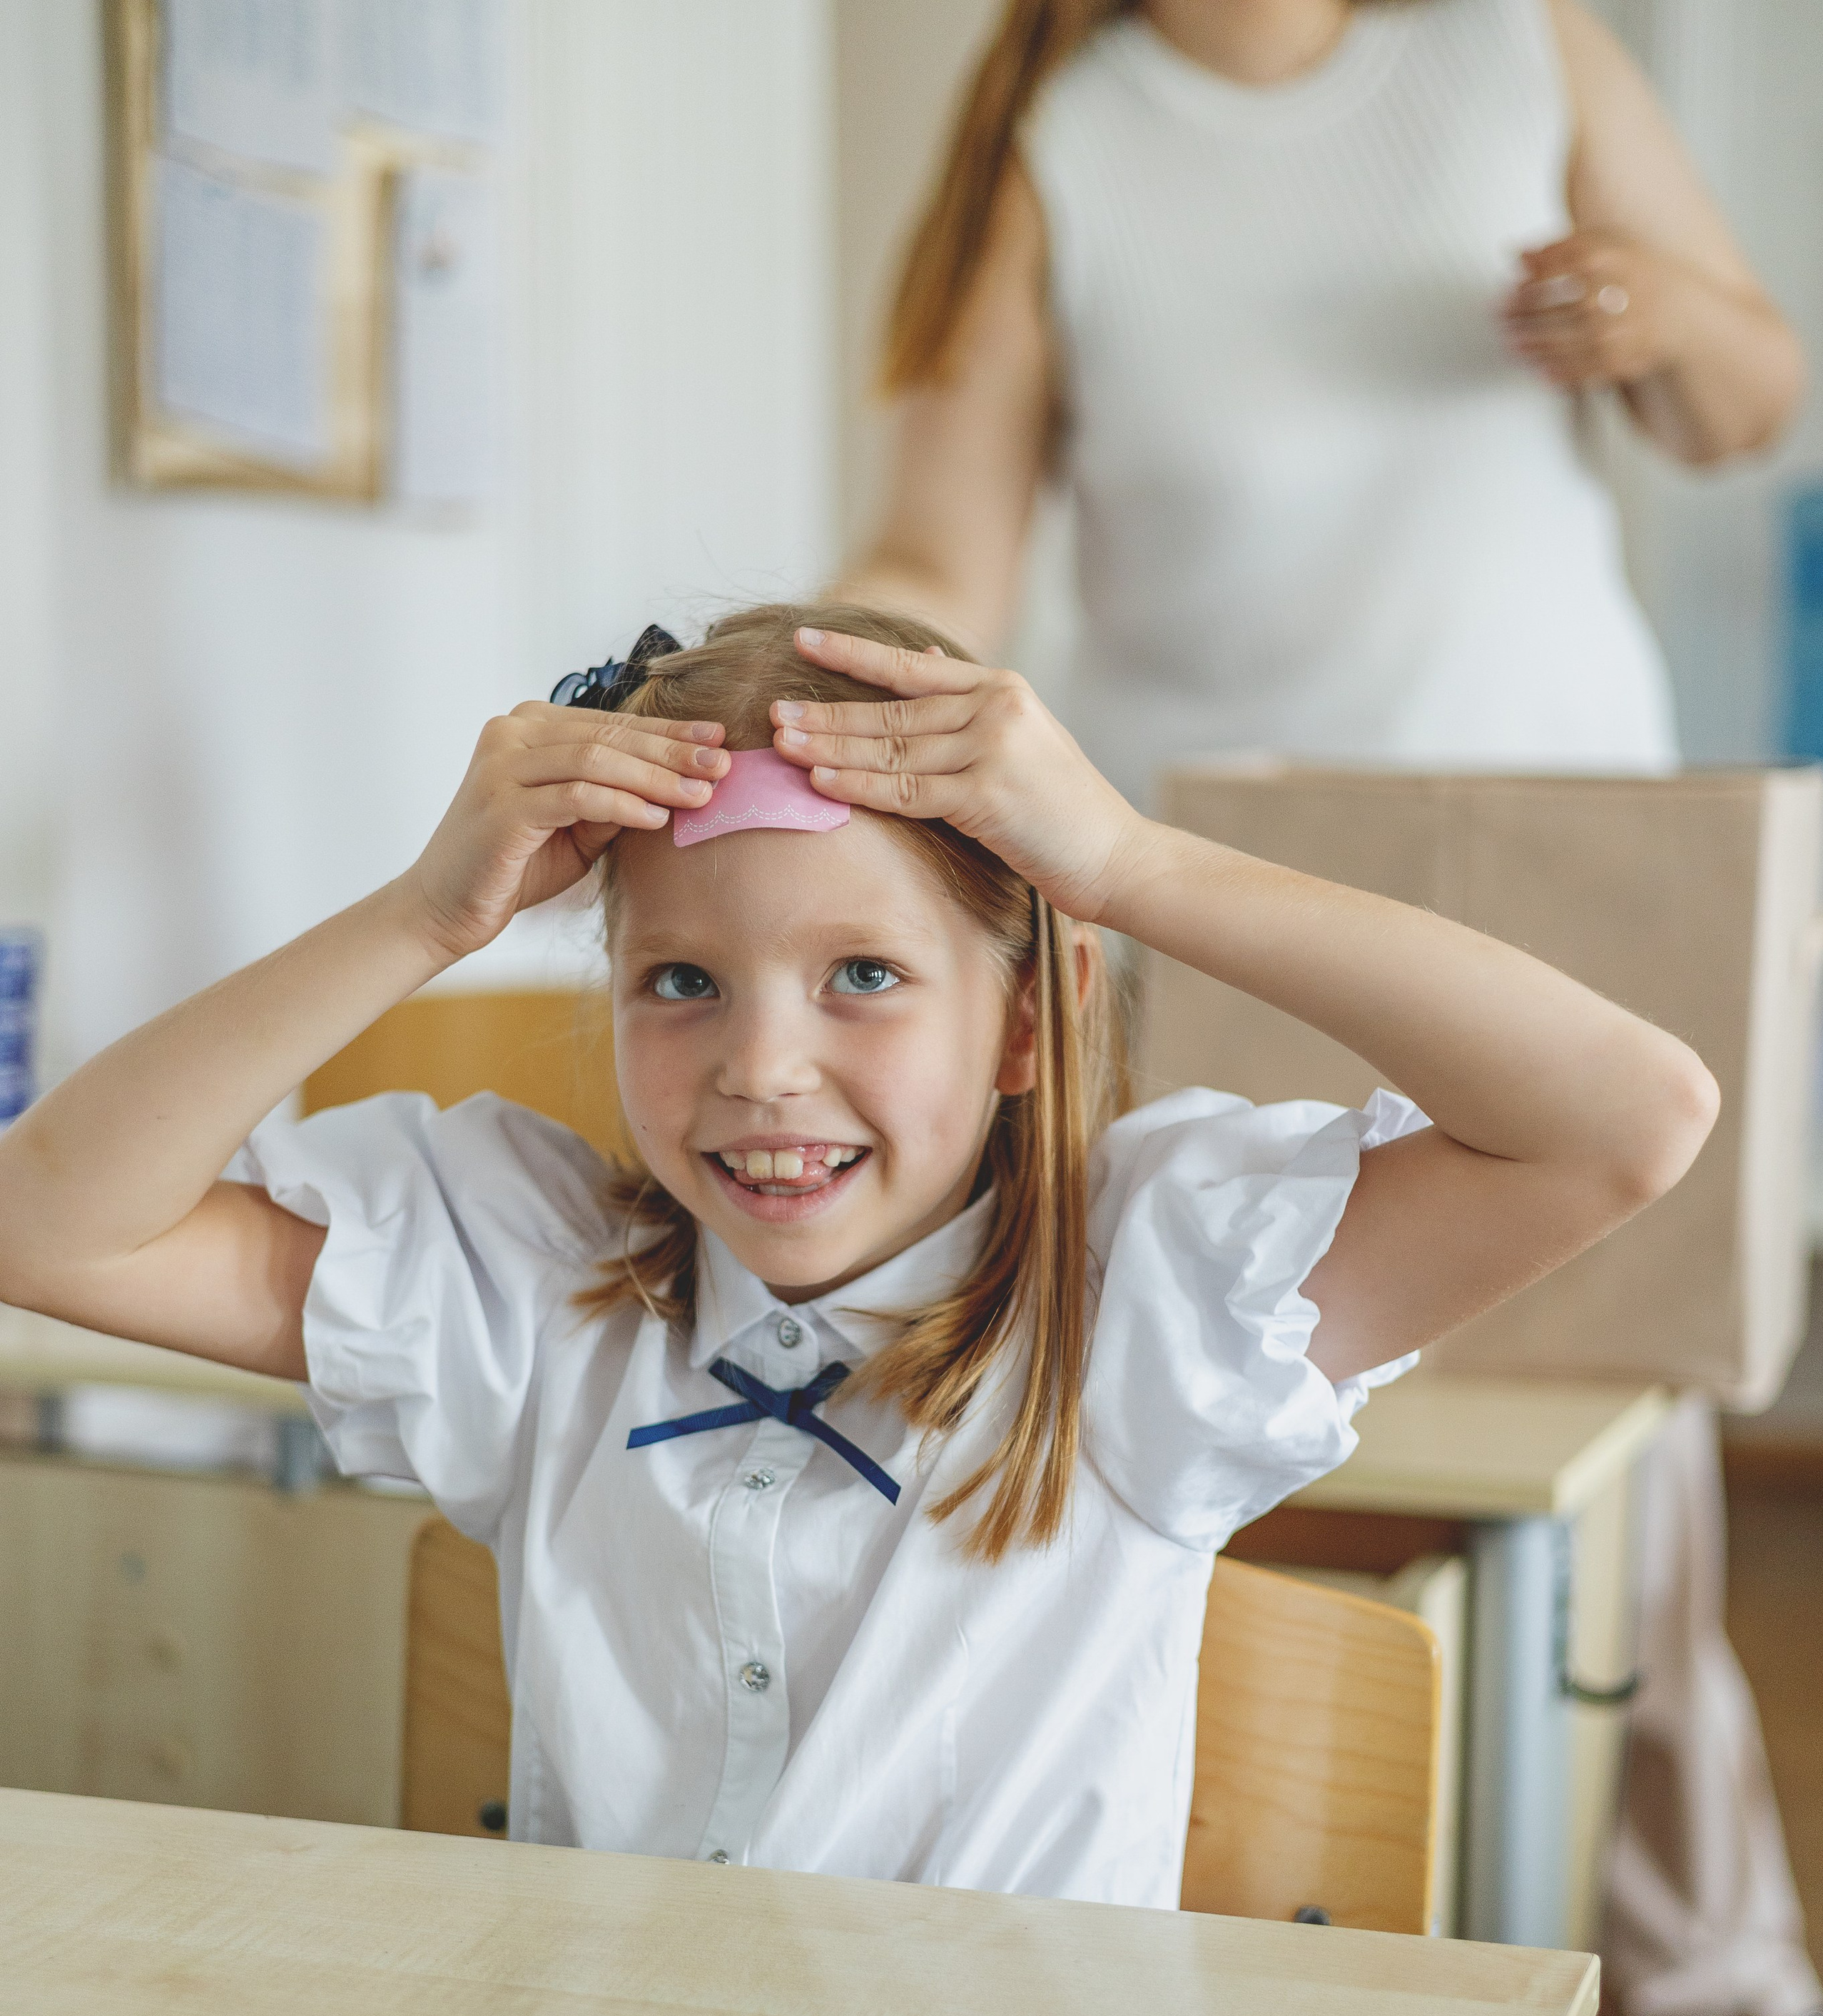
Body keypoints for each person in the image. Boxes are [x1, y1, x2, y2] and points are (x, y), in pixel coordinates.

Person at [0, 604, 1713, 1899]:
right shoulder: (532, 1284)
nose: (759, 1067)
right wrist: (422, 916)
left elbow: (1623, 1116)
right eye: (679, 983)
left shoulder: (1137, 1304)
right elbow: (47, 1224)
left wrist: (1129, 863)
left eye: (864, 978)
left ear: (1027, 1025)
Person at [839, 0, 1822, 2016]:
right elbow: (943, 542)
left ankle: (1699, 1958)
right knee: (1250, 1378)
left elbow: (1749, 397)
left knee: (1616, 1412)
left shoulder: (1510, 37)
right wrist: (821, 650)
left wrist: (1670, 315)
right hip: (1225, 871)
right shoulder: (1057, 132)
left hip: (1563, 836)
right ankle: (1336, 1951)